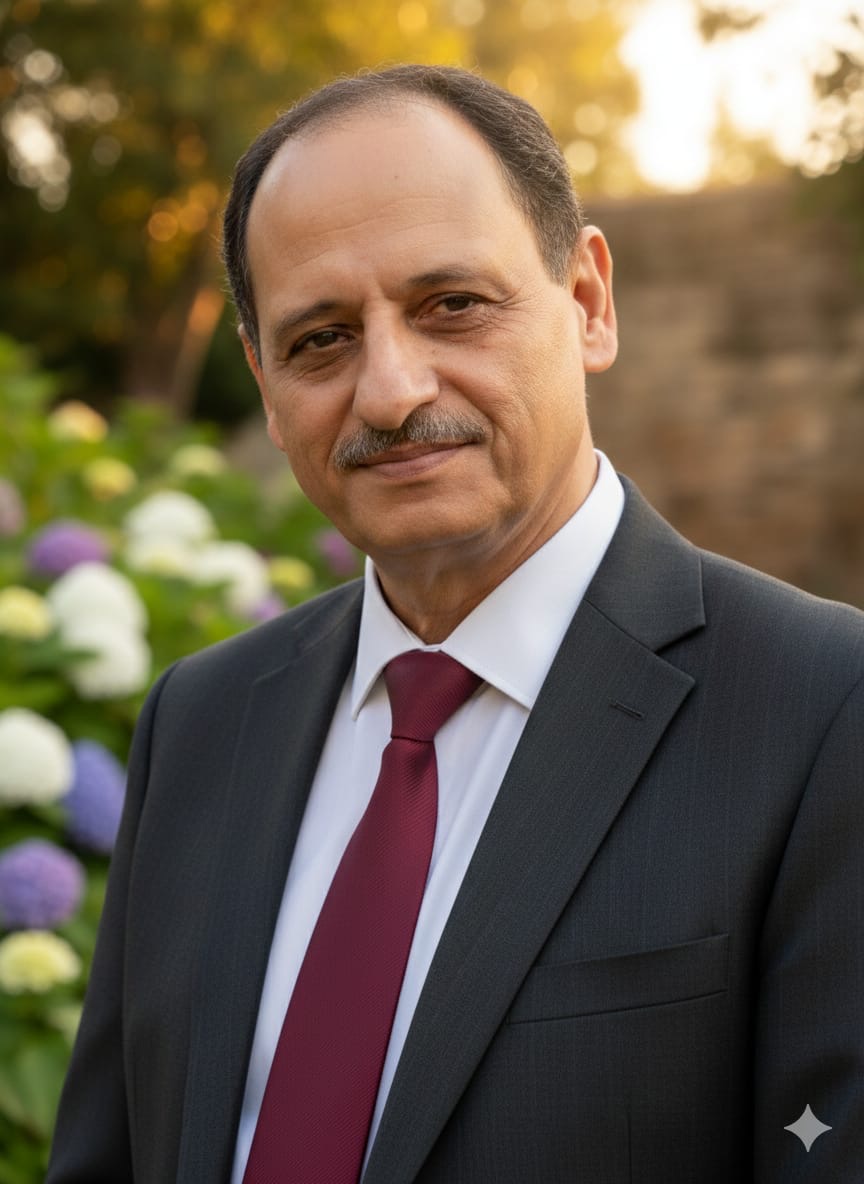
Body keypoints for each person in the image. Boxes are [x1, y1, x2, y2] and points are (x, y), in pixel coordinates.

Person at [47, 65, 863, 1184]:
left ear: (588, 302)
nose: (389, 391)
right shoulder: (199, 720)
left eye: (453, 305)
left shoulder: (823, 713)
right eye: (321, 338)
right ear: (265, 385)